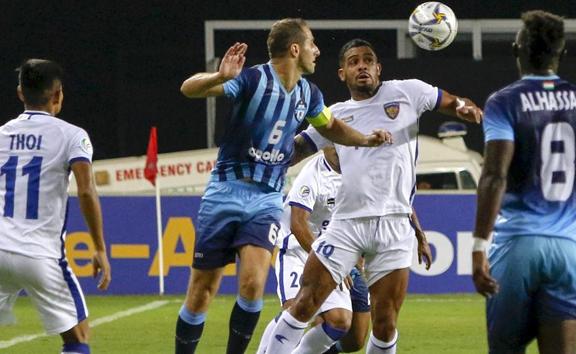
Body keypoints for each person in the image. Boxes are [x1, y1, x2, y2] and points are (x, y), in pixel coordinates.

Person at [175, 19, 391, 354]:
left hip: (267, 198)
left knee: (252, 285)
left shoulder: (309, 93)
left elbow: (331, 127)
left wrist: (364, 139)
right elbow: (188, 88)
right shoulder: (253, 79)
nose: (317, 50)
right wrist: (219, 77)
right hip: (226, 191)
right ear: (295, 48)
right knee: (201, 291)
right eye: (312, 43)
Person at [267, 38, 482, 354]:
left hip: (394, 225)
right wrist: (266, 156)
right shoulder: (335, 115)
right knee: (305, 303)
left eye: (368, 60)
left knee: (385, 323)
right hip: (346, 225)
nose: (362, 65)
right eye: (353, 62)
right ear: (343, 73)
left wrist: (465, 107)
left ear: (378, 68)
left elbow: (450, 101)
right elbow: (298, 148)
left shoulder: (408, 92)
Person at [471, 10, 576, 354]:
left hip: (517, 246)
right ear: (561, 54)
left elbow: (495, 174)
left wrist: (479, 246)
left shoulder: (504, 102)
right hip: (569, 250)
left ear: (516, 50)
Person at [0, 59, 111, 354]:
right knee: (78, 337)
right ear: (58, 95)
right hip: (41, 255)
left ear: (20, 93)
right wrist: (99, 247)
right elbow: (86, 191)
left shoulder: (1, 134)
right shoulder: (73, 135)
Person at [256, 146, 371, 354]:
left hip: (333, 255)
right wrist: (323, 261)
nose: (339, 149)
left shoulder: (357, 173)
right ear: (324, 144)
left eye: (343, 144)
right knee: (296, 310)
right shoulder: (313, 173)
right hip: (297, 251)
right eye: (333, 144)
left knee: (340, 322)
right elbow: (297, 224)